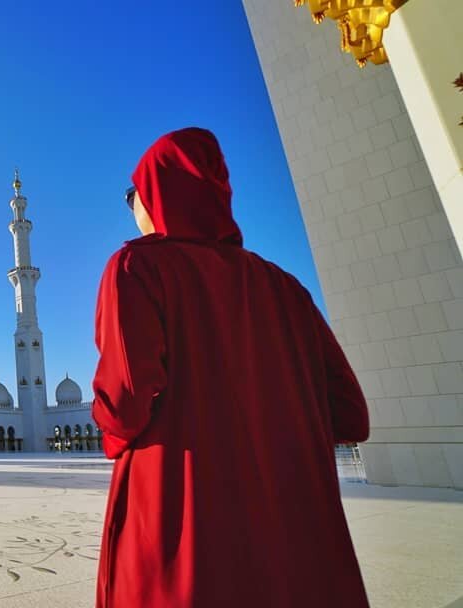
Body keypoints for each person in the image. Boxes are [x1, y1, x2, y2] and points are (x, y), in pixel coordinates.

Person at [92, 127, 369, 607]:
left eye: (133, 192)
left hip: (183, 512)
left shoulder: (138, 267)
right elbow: (350, 415)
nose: (132, 204)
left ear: (160, 191)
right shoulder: (288, 289)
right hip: (295, 527)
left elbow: (123, 404)